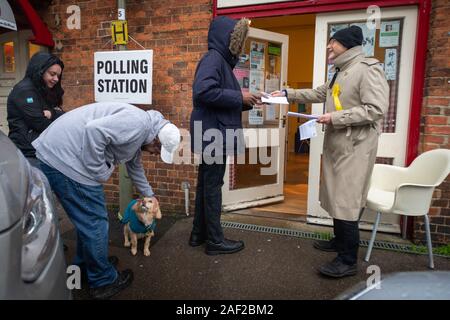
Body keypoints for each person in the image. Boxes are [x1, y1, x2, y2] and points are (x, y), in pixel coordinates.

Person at [272, 26, 389, 278]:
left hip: (356, 147)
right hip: (339, 145)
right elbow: (319, 93)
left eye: (333, 42)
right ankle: (339, 241)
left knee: (345, 200)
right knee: (337, 196)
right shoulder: (342, 71)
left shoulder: (368, 69)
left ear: (346, 45)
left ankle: (347, 261)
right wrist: (285, 94)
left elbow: (376, 109)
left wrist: (335, 117)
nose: (328, 46)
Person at [32, 102, 181, 299]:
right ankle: (103, 280)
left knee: (88, 221)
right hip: (67, 161)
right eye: (156, 150)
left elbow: (134, 166)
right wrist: (98, 172)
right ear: (155, 140)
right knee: (95, 222)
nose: (154, 154)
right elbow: (93, 131)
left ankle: (89, 265)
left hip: (59, 154)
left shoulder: (141, 130)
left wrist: (149, 194)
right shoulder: (137, 124)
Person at [189, 16, 260, 255]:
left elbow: (217, 97)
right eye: (237, 39)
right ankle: (215, 242)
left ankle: (199, 234)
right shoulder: (214, 59)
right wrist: (240, 97)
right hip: (213, 133)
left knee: (206, 185)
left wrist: (247, 101)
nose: (239, 45)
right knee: (212, 186)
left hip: (213, 131)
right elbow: (203, 92)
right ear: (228, 38)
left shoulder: (219, 61)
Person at [7, 52, 65, 167]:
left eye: (58, 76)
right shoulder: (25, 90)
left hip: (39, 151)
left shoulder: (42, 89)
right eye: (52, 74)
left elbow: (62, 114)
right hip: (27, 154)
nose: (56, 79)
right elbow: (39, 123)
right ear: (40, 70)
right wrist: (56, 116)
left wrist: (52, 113)